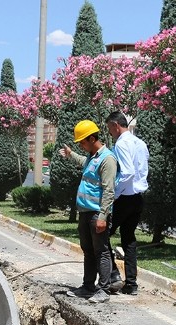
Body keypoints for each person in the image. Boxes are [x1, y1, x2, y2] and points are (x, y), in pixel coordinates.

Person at [59, 119, 119, 303]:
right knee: (88, 250)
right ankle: (87, 286)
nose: (81, 146)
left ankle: (104, 289)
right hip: (85, 213)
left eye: (83, 142)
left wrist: (103, 216)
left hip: (96, 214)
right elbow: (82, 161)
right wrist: (71, 154)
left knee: (101, 251)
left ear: (92, 138)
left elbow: (109, 191)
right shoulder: (92, 158)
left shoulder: (107, 159)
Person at [106, 111, 149, 296]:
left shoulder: (122, 143)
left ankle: (113, 275)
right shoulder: (140, 143)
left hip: (124, 197)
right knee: (129, 239)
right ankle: (131, 283)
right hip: (138, 197)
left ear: (116, 125)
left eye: (109, 129)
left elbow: (128, 172)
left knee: (101, 233)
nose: (110, 133)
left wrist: (115, 194)